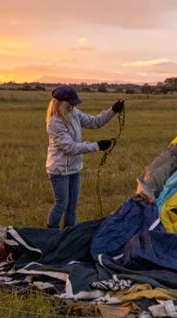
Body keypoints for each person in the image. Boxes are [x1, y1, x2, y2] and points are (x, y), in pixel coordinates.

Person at [44, 85, 124, 228]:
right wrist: (97, 146)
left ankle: (69, 236)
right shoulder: (54, 123)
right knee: (61, 204)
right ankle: (51, 235)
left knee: (72, 207)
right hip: (59, 170)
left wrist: (112, 110)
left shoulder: (73, 113)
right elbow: (71, 147)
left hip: (74, 168)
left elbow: (95, 122)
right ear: (62, 103)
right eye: (71, 103)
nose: (74, 106)